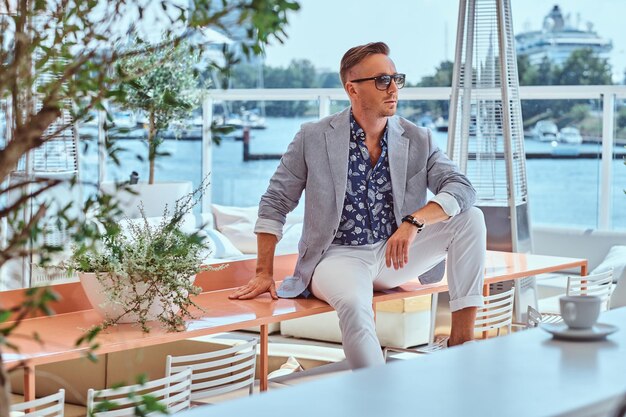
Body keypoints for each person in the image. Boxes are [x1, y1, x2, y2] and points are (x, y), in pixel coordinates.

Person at [229, 42, 486, 369]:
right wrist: (264, 271)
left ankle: (461, 345)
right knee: (354, 304)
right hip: (337, 258)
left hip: (395, 253)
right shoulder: (313, 136)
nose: (393, 89)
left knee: (471, 218)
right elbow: (276, 201)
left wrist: (413, 222)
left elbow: (462, 189)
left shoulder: (418, 138)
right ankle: (375, 395)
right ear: (352, 88)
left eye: (396, 79)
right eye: (382, 80)